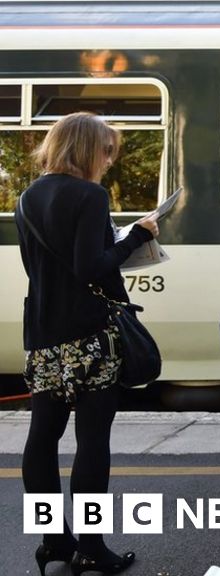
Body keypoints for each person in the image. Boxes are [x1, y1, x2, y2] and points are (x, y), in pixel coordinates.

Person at [17, 112, 158, 575]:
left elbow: (43, 268)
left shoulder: (27, 197)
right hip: (89, 336)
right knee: (92, 440)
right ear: (87, 149)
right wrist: (136, 237)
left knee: (42, 439)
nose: (109, 159)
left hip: (41, 334)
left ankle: (54, 542)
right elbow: (90, 267)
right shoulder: (90, 195)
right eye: (106, 150)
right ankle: (91, 547)